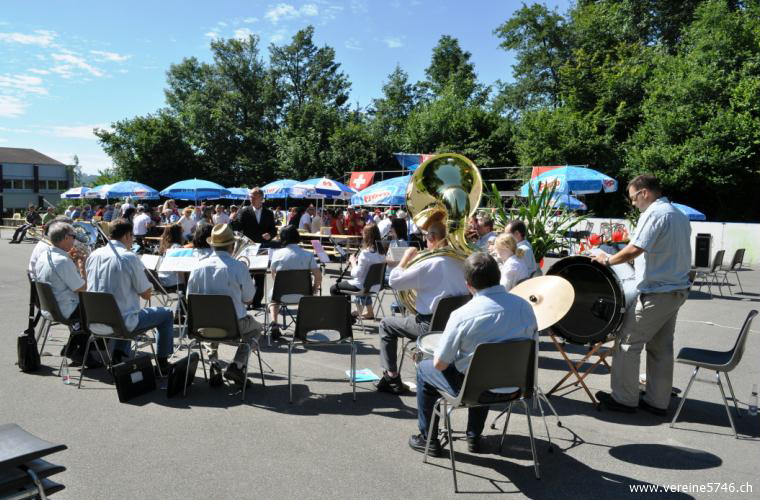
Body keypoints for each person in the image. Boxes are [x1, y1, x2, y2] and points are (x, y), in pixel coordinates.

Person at [409, 252, 538, 456]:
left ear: (468, 284)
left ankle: (428, 439)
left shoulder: (462, 315)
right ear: (498, 276)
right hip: (516, 387)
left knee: (425, 368)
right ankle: (474, 437)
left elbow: (440, 364)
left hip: (475, 390)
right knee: (484, 370)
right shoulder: (525, 307)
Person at [592, 174, 691, 416]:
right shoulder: (677, 214)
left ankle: (624, 399)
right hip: (675, 289)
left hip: (657, 291)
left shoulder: (655, 214)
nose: (633, 203)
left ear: (644, 192)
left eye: (633, 198)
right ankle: (658, 401)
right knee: (661, 347)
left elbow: (635, 249)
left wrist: (608, 259)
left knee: (627, 342)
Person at [376, 221, 469, 394]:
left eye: (426, 236)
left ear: (432, 238)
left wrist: (405, 258)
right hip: (455, 326)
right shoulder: (461, 261)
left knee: (386, 325)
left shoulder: (429, 263)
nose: (425, 240)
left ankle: (392, 377)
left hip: (429, 326)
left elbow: (394, 282)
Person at [85, 218, 174, 372]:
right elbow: (146, 295)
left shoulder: (94, 254)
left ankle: (120, 354)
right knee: (166, 313)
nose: (132, 241)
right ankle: (162, 363)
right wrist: (148, 284)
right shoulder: (128, 257)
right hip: (122, 323)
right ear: (127, 236)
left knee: (126, 306)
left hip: (95, 320)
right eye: (132, 237)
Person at [187, 224, 263, 385]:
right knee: (256, 328)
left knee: (210, 320)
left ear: (212, 245)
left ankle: (214, 362)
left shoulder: (197, 267)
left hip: (203, 326)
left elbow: (190, 300)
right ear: (232, 245)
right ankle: (237, 364)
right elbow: (249, 299)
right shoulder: (239, 267)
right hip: (234, 326)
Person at [267, 225, 321, 340]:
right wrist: (314, 289)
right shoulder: (308, 255)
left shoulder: (277, 254)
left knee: (272, 300)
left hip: (281, 294)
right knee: (306, 298)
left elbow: (274, 276)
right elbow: (318, 276)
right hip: (304, 294)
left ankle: (274, 322)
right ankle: (303, 325)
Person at [231, 187, 277, 308]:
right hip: (247, 248)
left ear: (261, 198)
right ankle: (246, 301)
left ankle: (257, 302)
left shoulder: (268, 213)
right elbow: (237, 228)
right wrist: (232, 220)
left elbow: (273, 229)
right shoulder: (244, 211)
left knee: (260, 276)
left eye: (254, 196)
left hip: (262, 246)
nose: (251, 198)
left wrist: (270, 235)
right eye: (250, 196)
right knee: (246, 276)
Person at [330, 223, 386, 320]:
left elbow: (356, 274)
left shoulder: (365, 253)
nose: (362, 235)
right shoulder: (382, 253)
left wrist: (353, 262)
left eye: (364, 234)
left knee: (334, 288)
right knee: (362, 283)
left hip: (363, 286)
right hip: (375, 285)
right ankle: (363, 311)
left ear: (367, 236)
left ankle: (345, 317)